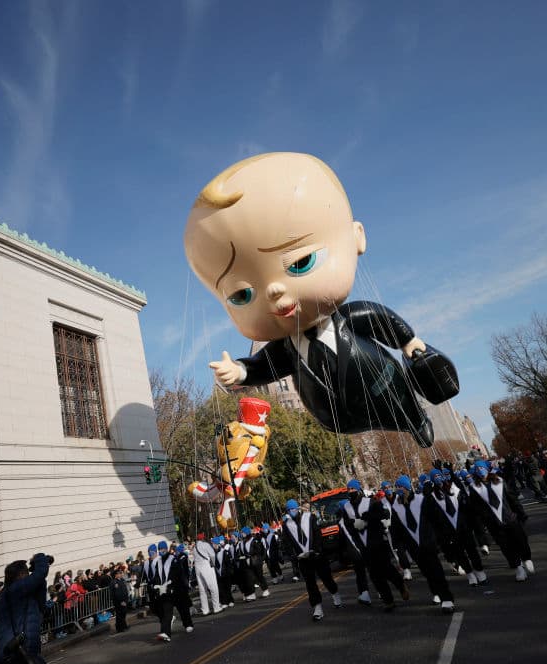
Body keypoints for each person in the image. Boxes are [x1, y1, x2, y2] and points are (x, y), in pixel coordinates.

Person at [187, 152, 459, 448]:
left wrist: (409, 342)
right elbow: (262, 367)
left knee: (403, 409)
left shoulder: (352, 318)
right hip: (334, 417)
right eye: (242, 294)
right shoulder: (284, 350)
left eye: (301, 262)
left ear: (356, 238)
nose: (274, 291)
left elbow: (381, 320)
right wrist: (239, 371)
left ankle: (416, 421)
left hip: (383, 390)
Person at [389, 476, 457, 614]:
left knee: (436, 570)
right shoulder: (396, 507)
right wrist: (398, 548)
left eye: (401, 487)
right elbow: (396, 529)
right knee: (427, 573)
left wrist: (443, 536)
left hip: (428, 543)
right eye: (397, 487)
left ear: (407, 488)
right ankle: (436, 592)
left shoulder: (422, 500)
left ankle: (447, 599)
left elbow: (436, 518)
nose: (398, 490)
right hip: (413, 547)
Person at [467, 461, 533, 582]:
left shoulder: (499, 481)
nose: (481, 471)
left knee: (521, 540)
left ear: (487, 469)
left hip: (510, 518)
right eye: (478, 469)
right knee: (506, 547)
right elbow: (475, 509)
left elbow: (511, 498)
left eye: (482, 468)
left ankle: (526, 558)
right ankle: (518, 568)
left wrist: (521, 513)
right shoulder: (474, 488)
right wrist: (482, 526)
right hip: (494, 524)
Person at [0, 553, 54, 664]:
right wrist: (39, 558)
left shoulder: (18, 593)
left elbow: (40, 603)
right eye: (26, 573)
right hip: (16, 654)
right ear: (20, 575)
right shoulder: (14, 590)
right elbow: (41, 573)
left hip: (20, 653)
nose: (29, 576)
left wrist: (39, 577)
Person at [281, 499, 342, 621]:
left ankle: (335, 594)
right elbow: (286, 543)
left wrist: (316, 549)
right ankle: (317, 607)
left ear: (298, 509)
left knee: (326, 577)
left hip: (317, 555)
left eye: (293, 509)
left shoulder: (309, 517)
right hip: (303, 558)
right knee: (310, 584)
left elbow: (317, 534)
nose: (291, 512)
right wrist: (294, 555)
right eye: (289, 510)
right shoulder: (286, 524)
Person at [338, 479, 373, 606]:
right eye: (349, 489)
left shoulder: (367, 503)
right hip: (355, 547)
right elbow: (344, 535)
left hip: (368, 542)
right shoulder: (344, 516)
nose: (351, 491)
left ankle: (380, 591)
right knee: (360, 572)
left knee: (374, 569)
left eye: (353, 489)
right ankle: (364, 593)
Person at [191, 534, 222, 616]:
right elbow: (212, 555)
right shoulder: (206, 545)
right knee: (213, 587)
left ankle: (205, 609)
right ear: (203, 538)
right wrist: (213, 562)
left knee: (202, 590)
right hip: (206, 566)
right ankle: (216, 607)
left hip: (198, 567)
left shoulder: (194, 547)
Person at [111, 567, 131, 634]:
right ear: (116, 575)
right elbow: (117, 593)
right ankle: (119, 628)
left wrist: (126, 599)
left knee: (123, 613)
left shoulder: (122, 580)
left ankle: (124, 625)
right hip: (119, 601)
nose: (121, 574)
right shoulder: (114, 582)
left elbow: (124, 590)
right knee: (119, 615)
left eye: (121, 573)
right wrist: (121, 601)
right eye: (119, 573)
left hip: (124, 600)